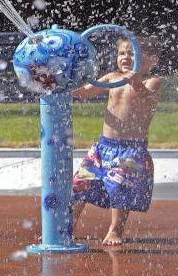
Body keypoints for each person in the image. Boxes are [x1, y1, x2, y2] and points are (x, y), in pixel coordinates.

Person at [69, 36, 163, 245]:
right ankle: (66, 227)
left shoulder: (153, 82)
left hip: (131, 150)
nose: (126, 57)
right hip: (104, 147)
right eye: (122, 53)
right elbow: (86, 92)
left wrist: (136, 82)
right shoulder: (112, 77)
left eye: (133, 53)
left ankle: (115, 230)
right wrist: (65, 89)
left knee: (121, 190)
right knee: (79, 185)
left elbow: (146, 98)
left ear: (152, 60)